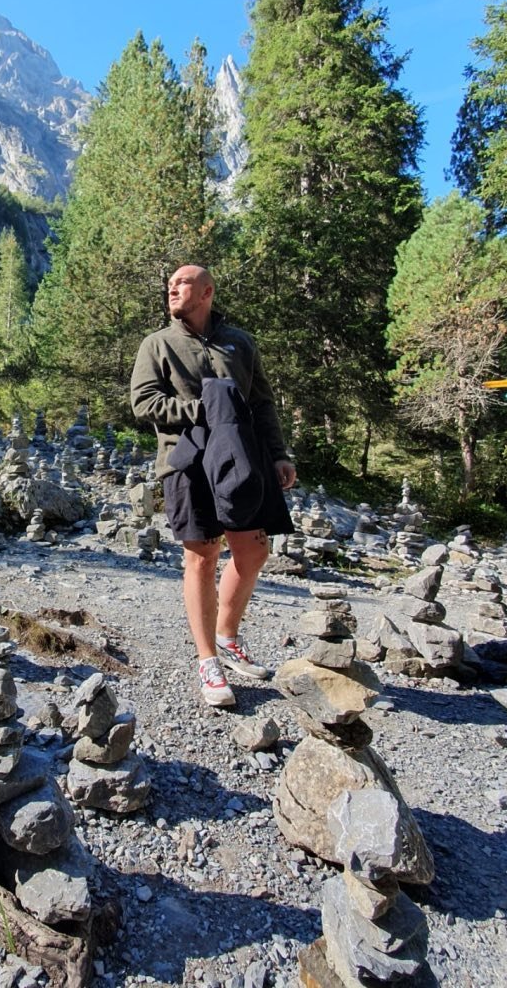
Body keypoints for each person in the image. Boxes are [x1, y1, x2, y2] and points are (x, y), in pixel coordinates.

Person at [130, 264, 296, 706]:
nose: (172, 290)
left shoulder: (240, 342)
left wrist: (278, 454)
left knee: (253, 550)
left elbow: (261, 402)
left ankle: (227, 635)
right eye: (170, 285)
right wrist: (201, 410)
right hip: (187, 460)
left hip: (241, 457)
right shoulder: (158, 344)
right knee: (202, 557)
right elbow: (143, 402)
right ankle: (208, 661)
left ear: (206, 292)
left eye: (181, 284)